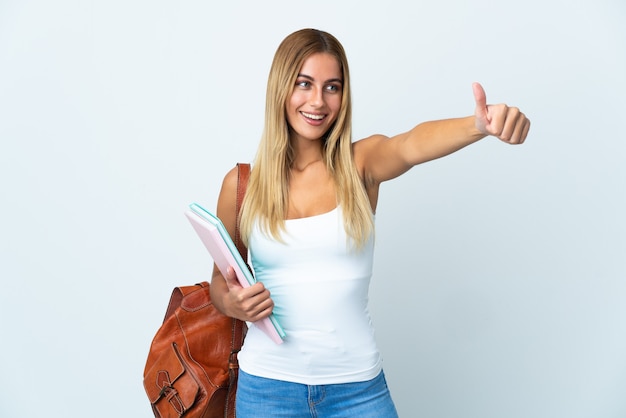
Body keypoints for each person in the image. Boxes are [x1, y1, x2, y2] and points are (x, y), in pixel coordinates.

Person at [210, 28, 530, 417]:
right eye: (304, 84)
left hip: (357, 392)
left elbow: (409, 144)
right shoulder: (242, 185)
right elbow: (218, 284)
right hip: (267, 391)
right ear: (281, 87)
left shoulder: (360, 164)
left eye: (332, 87)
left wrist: (478, 125)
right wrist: (233, 303)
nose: (318, 101)